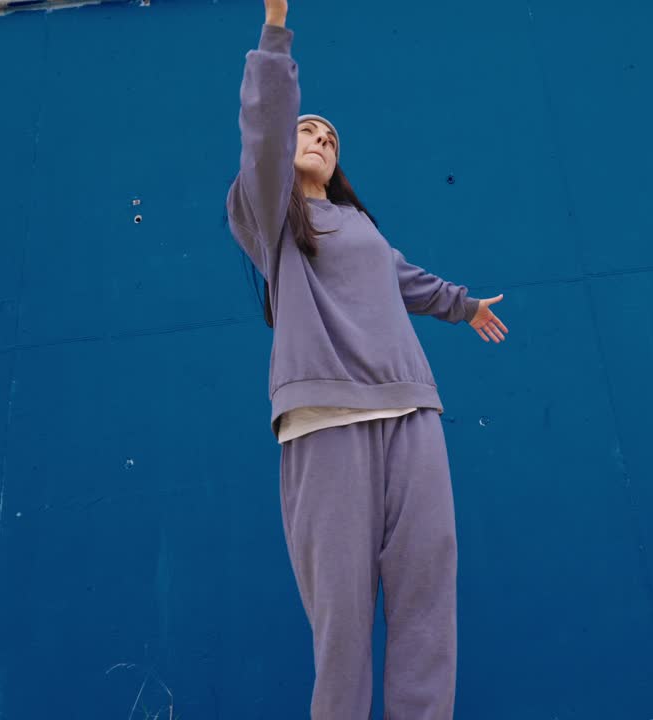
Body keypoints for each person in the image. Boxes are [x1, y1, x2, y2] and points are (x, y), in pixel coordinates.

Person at [225, 1, 509, 718]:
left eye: (329, 135)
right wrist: (276, 30)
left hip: (411, 411)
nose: (318, 136)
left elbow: (406, 280)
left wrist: (465, 305)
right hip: (325, 424)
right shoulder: (268, 219)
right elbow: (262, 127)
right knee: (344, 618)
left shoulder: (358, 226)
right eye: (307, 128)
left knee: (426, 593)